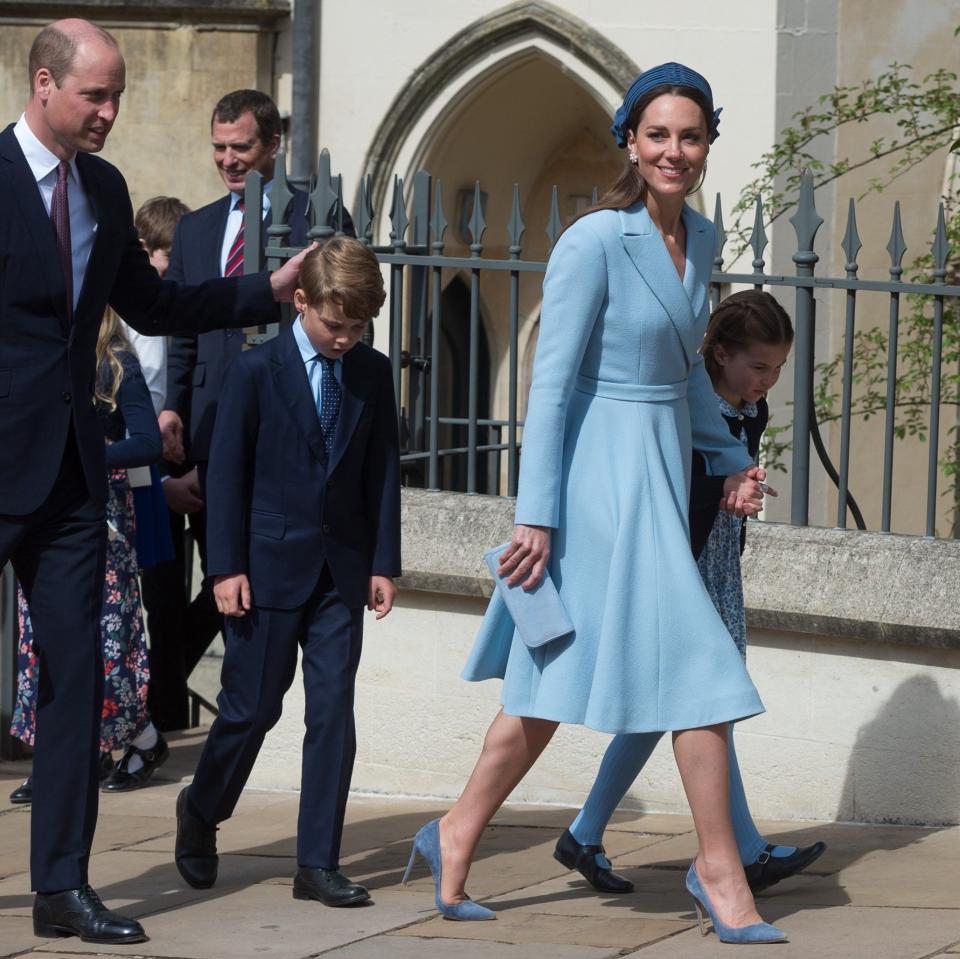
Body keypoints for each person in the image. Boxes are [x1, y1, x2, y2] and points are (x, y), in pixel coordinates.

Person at [401, 63, 787, 945]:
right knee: (694, 666)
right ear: (629, 141)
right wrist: (536, 516)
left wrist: (729, 458)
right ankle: (721, 872)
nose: (674, 151)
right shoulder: (592, 240)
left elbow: (683, 373)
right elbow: (552, 381)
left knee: (548, 682)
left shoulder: (704, 234)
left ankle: (455, 830)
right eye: (658, 135)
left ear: (706, 144)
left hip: (659, 460)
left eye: (689, 136)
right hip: (598, 480)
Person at [0, 18, 308, 945]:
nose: (110, 111)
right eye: (96, 94)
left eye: (119, 94)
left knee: (80, 678)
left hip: (69, 477)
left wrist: (267, 290)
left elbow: (157, 303)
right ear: (44, 83)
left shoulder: (103, 186)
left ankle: (60, 885)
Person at [554, 289, 826, 897]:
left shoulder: (753, 412)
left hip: (718, 564)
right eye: (759, 366)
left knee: (676, 707)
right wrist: (726, 486)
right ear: (721, 355)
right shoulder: (684, 399)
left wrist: (742, 490)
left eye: (778, 368)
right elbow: (666, 485)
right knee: (708, 704)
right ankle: (746, 850)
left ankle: (583, 833)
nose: (769, 380)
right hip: (672, 565)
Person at [174, 237, 401, 909]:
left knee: (332, 710)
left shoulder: (372, 371)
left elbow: (383, 467)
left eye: (358, 327)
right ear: (300, 301)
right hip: (266, 569)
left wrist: (383, 561)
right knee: (252, 709)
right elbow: (227, 475)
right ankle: (202, 807)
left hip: (341, 572)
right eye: (337, 324)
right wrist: (225, 567)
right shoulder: (256, 371)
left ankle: (317, 862)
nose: (346, 338)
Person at [154, 89, 345, 731]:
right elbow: (182, 328)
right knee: (222, 573)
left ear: (272, 146)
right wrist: (170, 414)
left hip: (286, 429)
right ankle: (203, 704)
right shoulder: (197, 227)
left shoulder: (313, 216)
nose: (228, 160)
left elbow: (336, 320)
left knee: (262, 582)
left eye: (241, 147)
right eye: (219, 147)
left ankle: (236, 707)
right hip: (209, 428)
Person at [9, 310, 168, 799]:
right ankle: (61, 756)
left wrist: (90, 453)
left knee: (106, 642)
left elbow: (146, 441)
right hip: (40, 514)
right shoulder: (33, 351)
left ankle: (142, 737)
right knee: (43, 639)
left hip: (102, 520)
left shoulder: (115, 358)